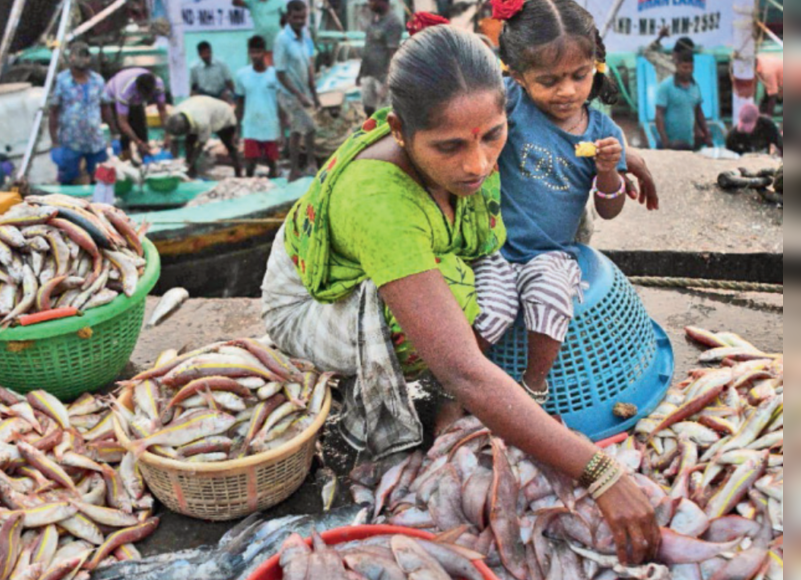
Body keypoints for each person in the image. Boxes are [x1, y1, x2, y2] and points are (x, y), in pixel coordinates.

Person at [261, 22, 660, 567]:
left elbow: (566, 126)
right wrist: (598, 470)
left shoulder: (484, 119)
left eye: (493, 136)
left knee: (491, 284)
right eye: (450, 146)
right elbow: (462, 370)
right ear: (399, 131)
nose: (477, 164)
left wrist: (627, 159)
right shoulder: (380, 202)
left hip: (413, 251)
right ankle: (447, 413)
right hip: (310, 304)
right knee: (447, 317)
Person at [493, 0, 660, 414]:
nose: (567, 91)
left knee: (551, 299)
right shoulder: (512, 104)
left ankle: (533, 390)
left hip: (552, 253)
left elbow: (609, 210)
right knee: (488, 312)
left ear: (595, 67)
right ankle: (461, 385)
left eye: (579, 76)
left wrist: (609, 173)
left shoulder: (604, 132)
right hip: (493, 247)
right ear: (518, 76)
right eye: (549, 80)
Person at [49, 42, 113, 185]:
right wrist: (54, 142)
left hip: (95, 140)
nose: (82, 60)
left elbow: (105, 107)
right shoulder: (62, 80)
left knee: (101, 179)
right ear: (70, 58)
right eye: (78, 56)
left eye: (85, 56)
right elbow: (54, 111)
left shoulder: (97, 80)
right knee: (68, 178)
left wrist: (114, 134)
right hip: (70, 140)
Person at [275, 0, 320, 180]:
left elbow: (309, 65)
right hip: (289, 93)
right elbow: (280, 73)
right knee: (302, 128)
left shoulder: (306, 36)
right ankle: (297, 169)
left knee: (306, 129)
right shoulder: (282, 39)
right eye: (296, 17)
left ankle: (308, 165)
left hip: (303, 92)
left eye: (303, 17)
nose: (300, 21)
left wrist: (313, 93)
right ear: (288, 17)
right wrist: (299, 95)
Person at [235, 35, 283, 178]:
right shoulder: (242, 75)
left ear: (264, 52)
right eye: (252, 52)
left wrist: (282, 128)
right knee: (250, 165)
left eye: (258, 52)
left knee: (272, 164)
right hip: (251, 125)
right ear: (249, 53)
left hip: (270, 124)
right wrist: (238, 129)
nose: (255, 56)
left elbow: (280, 102)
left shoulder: (274, 75)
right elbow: (240, 103)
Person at [164, 96, 242, 178]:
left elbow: (201, 144)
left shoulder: (202, 122)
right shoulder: (174, 114)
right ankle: (190, 171)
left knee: (230, 146)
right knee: (189, 144)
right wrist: (175, 160)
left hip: (223, 116)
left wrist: (191, 162)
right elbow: (173, 138)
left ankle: (238, 172)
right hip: (202, 110)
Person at [105, 68, 170, 159]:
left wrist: (167, 133)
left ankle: (145, 159)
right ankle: (126, 159)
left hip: (135, 101)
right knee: (124, 137)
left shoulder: (158, 84)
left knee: (142, 130)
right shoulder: (125, 91)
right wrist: (138, 142)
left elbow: (162, 110)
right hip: (114, 97)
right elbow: (123, 123)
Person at [656, 49, 712, 151]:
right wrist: (665, 141)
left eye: (691, 67)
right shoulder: (666, 86)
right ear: (677, 66)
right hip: (670, 142)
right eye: (684, 67)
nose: (688, 71)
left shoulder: (695, 86)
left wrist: (706, 134)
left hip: (688, 141)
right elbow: (659, 114)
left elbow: (698, 111)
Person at [357, 0, 404, 117]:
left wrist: (388, 83)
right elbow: (368, 48)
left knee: (384, 115)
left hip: (382, 77)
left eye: (372, 1)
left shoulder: (393, 23)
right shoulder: (374, 19)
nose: (369, 3)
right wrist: (360, 73)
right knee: (368, 107)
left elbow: (393, 55)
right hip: (369, 73)